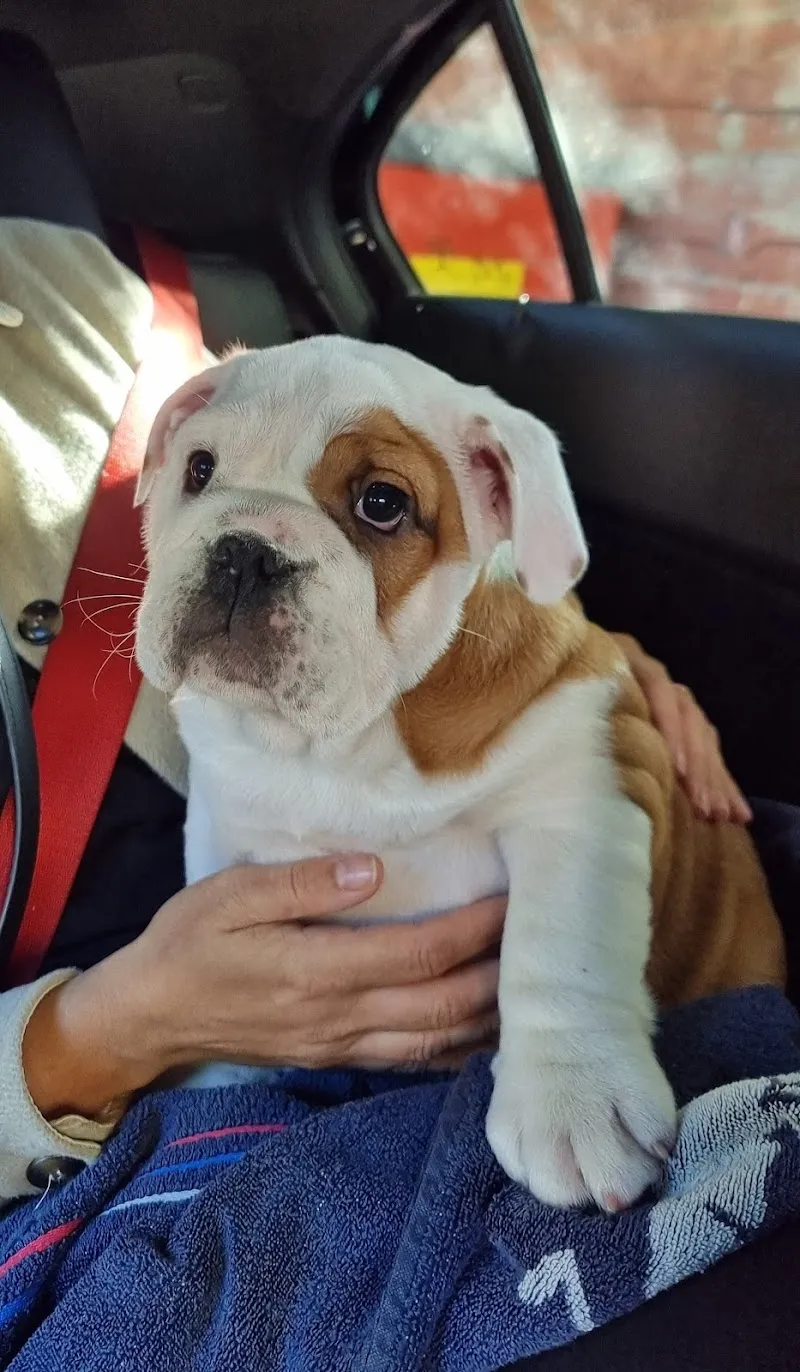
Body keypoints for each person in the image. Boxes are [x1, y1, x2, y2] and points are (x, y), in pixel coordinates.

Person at [3, 33, 800, 1372]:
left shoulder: (114, 320)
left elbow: (521, 654)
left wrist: (594, 670)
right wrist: (117, 1026)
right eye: (201, 480)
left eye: (374, 506)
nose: (242, 555)